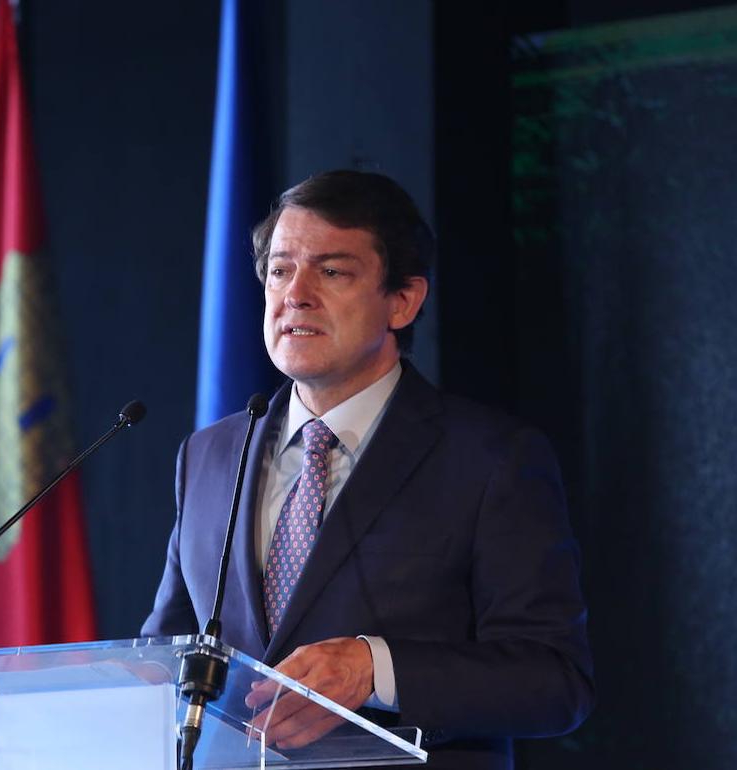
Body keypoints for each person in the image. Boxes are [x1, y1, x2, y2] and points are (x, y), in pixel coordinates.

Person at [142, 170, 594, 769]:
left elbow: (556, 681)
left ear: (403, 301)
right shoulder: (210, 454)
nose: (295, 293)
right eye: (280, 270)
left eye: (332, 271)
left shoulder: (492, 458)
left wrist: (374, 667)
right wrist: (80, 678)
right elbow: (167, 652)